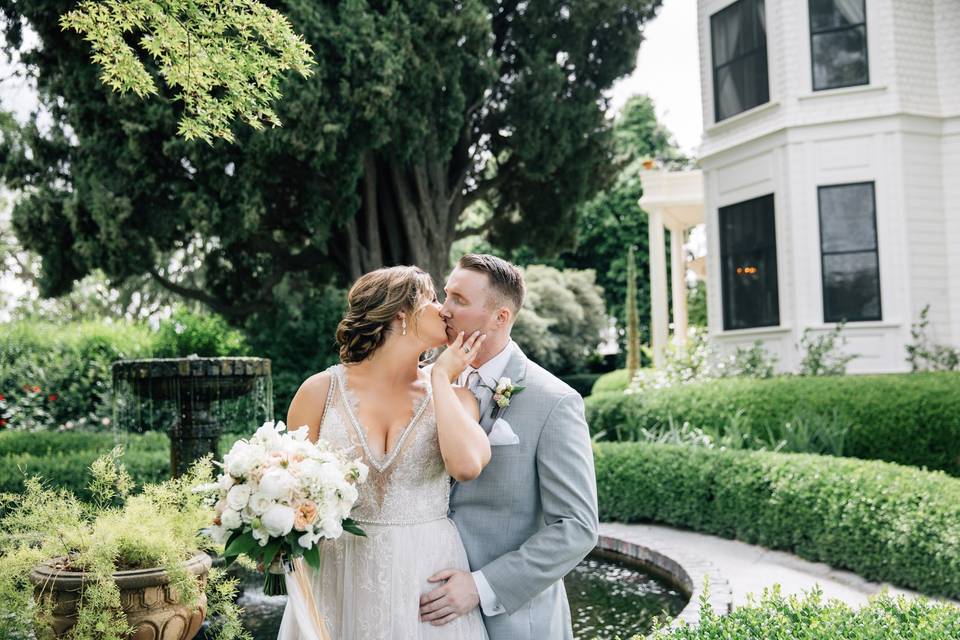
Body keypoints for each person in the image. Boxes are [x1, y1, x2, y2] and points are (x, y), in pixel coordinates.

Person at [278, 265, 490, 639]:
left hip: (425, 578)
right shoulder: (319, 391)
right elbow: (287, 488)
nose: (444, 310)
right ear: (400, 314)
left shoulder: (457, 395)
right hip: (338, 574)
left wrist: (440, 376)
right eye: (433, 299)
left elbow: (466, 466)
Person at [418, 254, 599, 640]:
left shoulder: (554, 401)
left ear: (500, 317)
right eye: (446, 294)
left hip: (515, 623)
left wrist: (482, 587)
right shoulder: (423, 385)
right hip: (424, 609)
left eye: (459, 301)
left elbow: (577, 528)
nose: (443, 309)